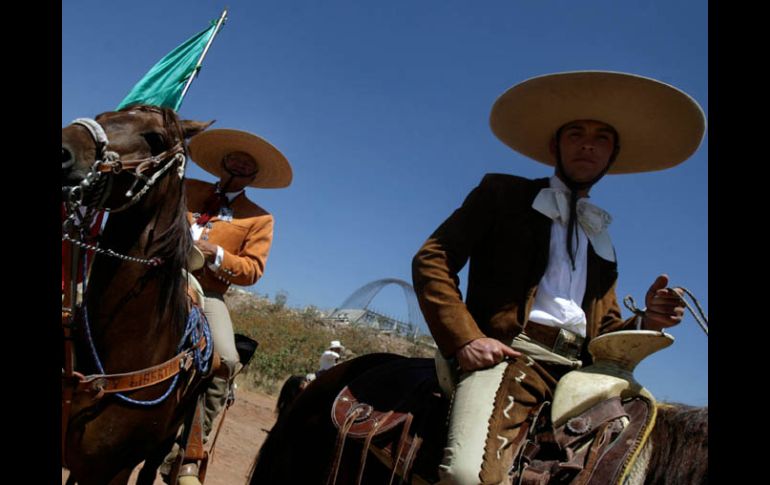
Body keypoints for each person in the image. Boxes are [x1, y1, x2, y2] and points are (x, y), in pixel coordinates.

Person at [411, 71, 705, 485]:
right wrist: (465, 339)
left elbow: (602, 329)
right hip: (513, 358)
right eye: (576, 134)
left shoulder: (601, 238)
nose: (588, 143)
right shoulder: (502, 194)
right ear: (555, 146)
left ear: (611, 156)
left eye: (602, 137)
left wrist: (648, 321)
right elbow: (433, 258)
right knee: (465, 475)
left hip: (583, 372)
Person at [161, 128, 292, 481]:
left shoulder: (259, 218)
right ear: (222, 162)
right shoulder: (186, 188)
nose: (238, 163)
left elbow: (252, 270)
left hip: (206, 291)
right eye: (234, 157)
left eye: (246, 162)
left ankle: (187, 454)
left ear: (254, 174)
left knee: (226, 360)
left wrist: (216, 254)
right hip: (158, 276)